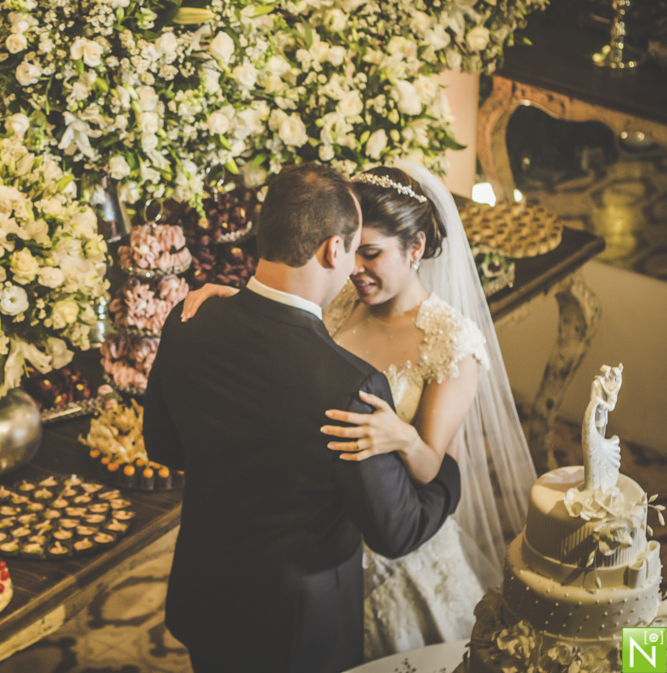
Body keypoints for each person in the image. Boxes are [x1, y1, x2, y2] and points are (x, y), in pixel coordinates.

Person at [180, 162, 536, 659]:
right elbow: (290, 343)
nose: (355, 269)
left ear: (415, 249)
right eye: (351, 251)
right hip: (314, 531)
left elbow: (435, 467)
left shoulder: (451, 344)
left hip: (396, 545)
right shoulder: (341, 298)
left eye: (371, 254)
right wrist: (236, 304)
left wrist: (404, 438)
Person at [143, 163, 462, 673]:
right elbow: (395, 531)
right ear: (334, 250)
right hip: (296, 623)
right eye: (354, 247)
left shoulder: (190, 320)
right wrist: (447, 473)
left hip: (206, 592)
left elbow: (162, 446)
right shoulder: (349, 386)